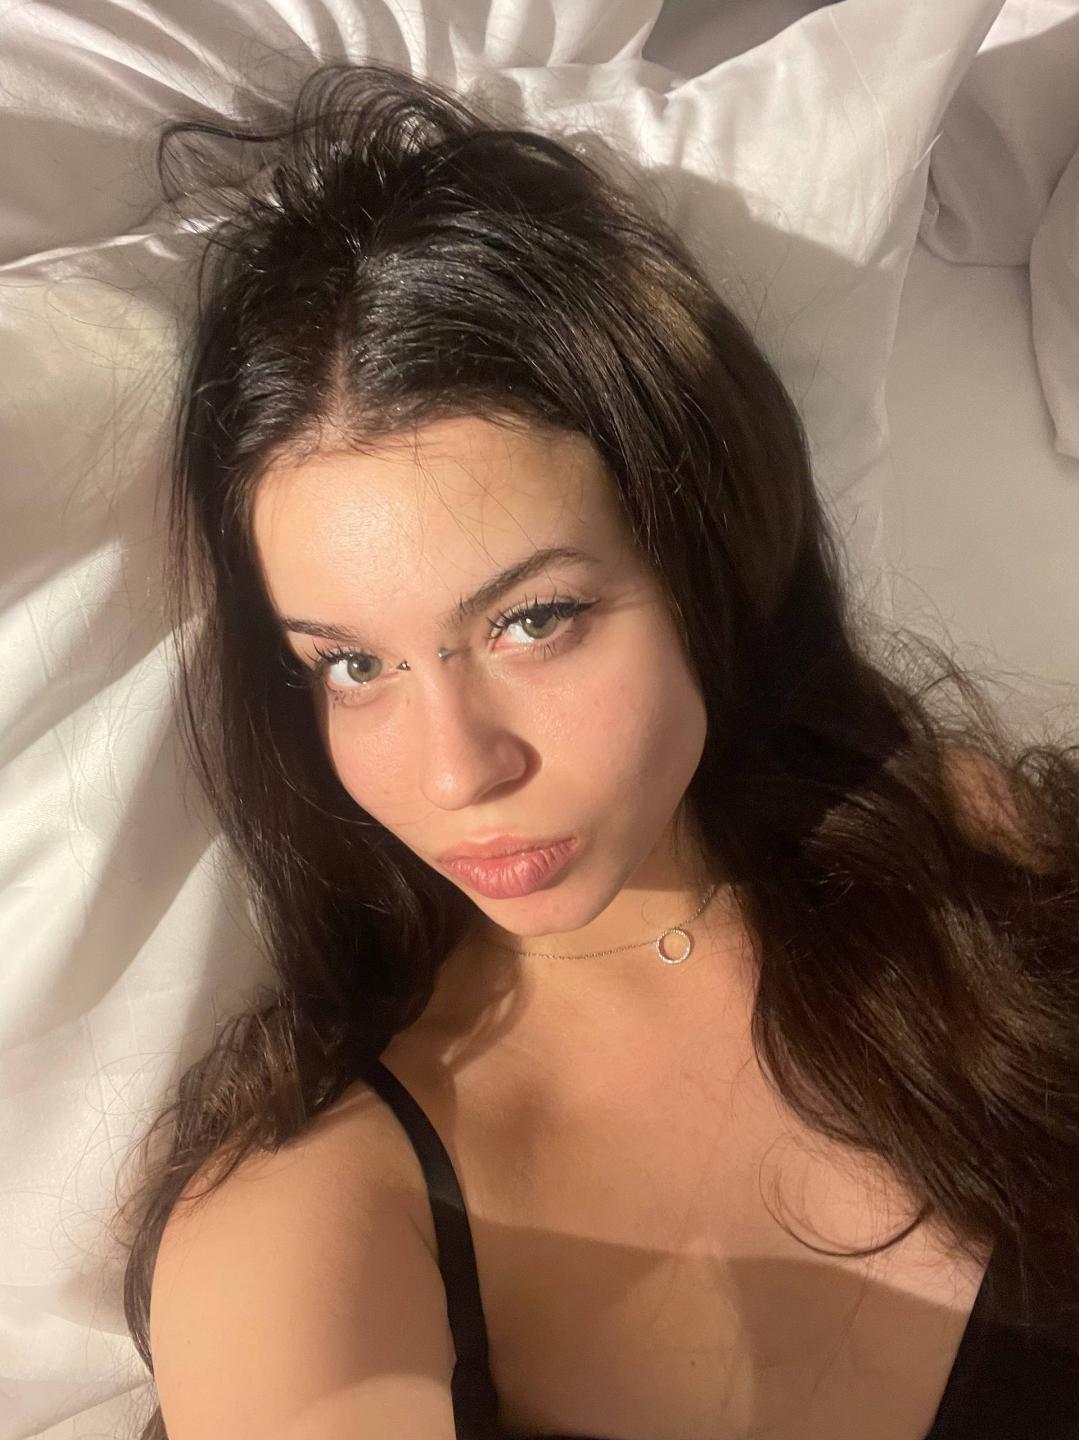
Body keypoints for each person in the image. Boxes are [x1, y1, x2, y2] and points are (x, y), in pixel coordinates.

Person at [116, 60, 1079, 1440]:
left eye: (532, 620)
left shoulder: (984, 863)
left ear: (702, 559)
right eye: (354, 665)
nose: (456, 772)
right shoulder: (316, 1212)